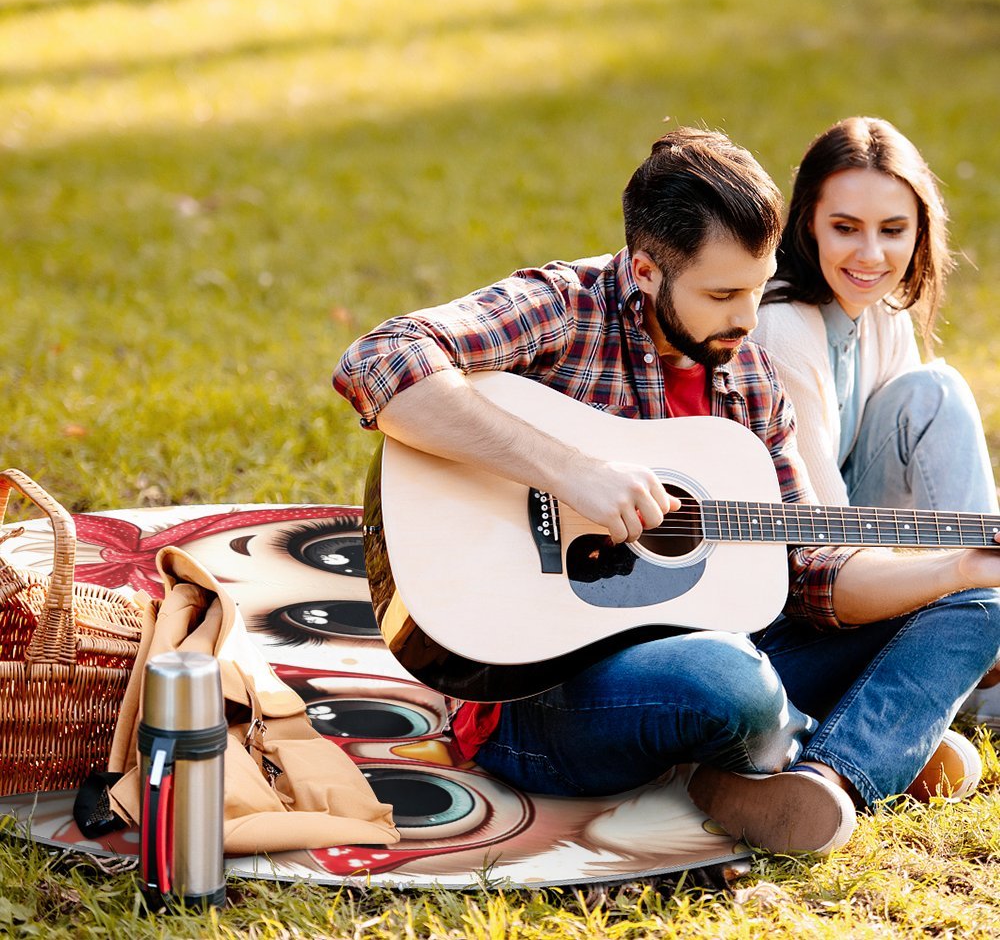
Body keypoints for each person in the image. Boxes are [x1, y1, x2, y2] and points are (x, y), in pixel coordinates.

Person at [333, 127, 1000, 856]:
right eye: (722, 294)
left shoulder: (748, 376)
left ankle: (829, 777)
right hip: (537, 696)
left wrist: (957, 568)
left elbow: (809, 569)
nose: (748, 320)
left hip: (728, 650)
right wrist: (569, 471)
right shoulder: (564, 307)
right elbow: (380, 359)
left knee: (980, 605)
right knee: (728, 682)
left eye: (757, 286)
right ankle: (849, 736)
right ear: (646, 270)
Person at [753, 116, 1000, 733]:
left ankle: (977, 638)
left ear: (920, 232)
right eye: (845, 228)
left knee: (932, 391)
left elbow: (920, 460)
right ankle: (977, 645)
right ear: (807, 221)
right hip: (794, 584)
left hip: (857, 546)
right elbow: (823, 541)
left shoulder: (881, 310)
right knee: (937, 391)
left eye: (893, 230)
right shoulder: (783, 326)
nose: (871, 255)